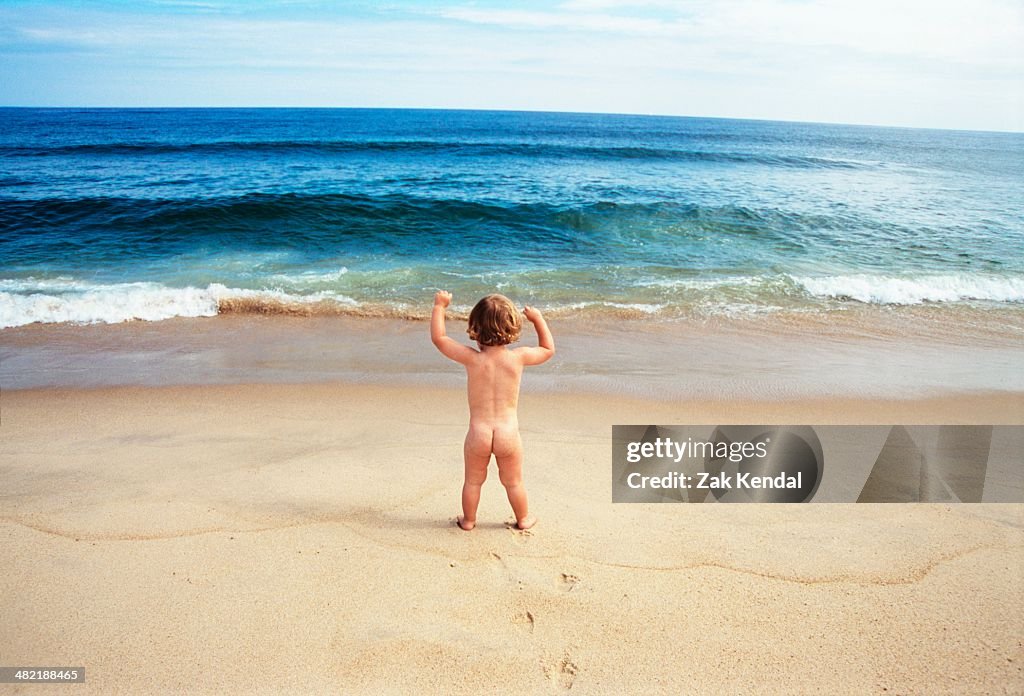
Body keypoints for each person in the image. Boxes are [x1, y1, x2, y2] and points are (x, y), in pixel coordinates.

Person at [430, 291, 555, 531]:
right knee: (514, 482)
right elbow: (547, 349)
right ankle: (524, 519)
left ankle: (468, 520)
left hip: (479, 433)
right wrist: (538, 319)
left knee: (473, 481)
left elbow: (440, 338)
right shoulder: (518, 358)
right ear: (513, 328)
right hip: (508, 434)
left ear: (475, 327)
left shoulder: (472, 359)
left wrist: (440, 306)